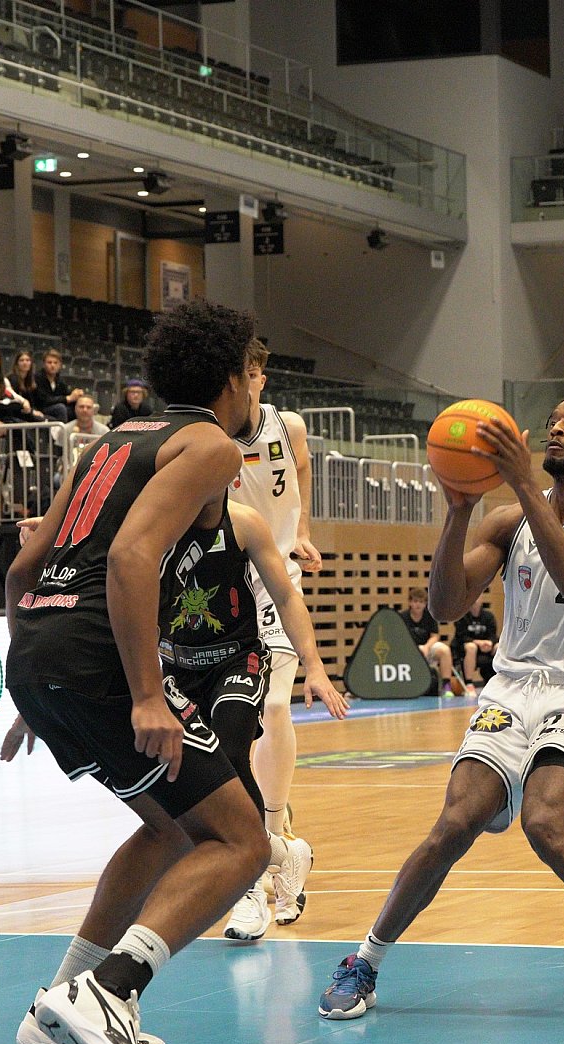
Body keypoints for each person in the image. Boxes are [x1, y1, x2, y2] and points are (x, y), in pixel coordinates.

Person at [0, 301, 333, 1044]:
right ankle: (109, 990)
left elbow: (22, 569)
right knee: (243, 839)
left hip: (40, 652)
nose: (256, 387)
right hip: (100, 654)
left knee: (168, 830)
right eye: (252, 372)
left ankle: (58, 1003)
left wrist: (28, 688)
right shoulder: (210, 445)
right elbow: (130, 557)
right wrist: (149, 695)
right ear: (231, 379)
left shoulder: (110, 441)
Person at [319, 393, 564, 1027]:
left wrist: (525, 485)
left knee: (546, 825)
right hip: (509, 690)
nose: (556, 428)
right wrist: (458, 513)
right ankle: (363, 961)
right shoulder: (506, 522)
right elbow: (445, 605)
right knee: (454, 824)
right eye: (552, 420)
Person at [220, 337, 325, 939]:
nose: (248, 382)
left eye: (255, 372)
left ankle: (270, 837)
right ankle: (280, 852)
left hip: (274, 577)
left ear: (261, 377)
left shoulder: (290, 427)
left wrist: (302, 528)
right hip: (216, 584)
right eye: (240, 373)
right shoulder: (207, 436)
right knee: (227, 730)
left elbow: (301, 470)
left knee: (276, 707)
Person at [400, 586, 463, 696]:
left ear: (425, 604)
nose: (418, 605)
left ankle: (446, 686)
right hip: (409, 650)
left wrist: (426, 647)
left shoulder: (430, 616)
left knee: (445, 650)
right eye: (415, 601)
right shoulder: (402, 617)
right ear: (410, 602)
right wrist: (415, 649)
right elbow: (401, 638)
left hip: (427, 649)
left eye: (421, 602)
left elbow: (434, 636)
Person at [453, 595, 498, 693]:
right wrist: (478, 643)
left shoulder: (488, 616)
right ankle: (469, 683)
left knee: (498, 647)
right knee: (471, 647)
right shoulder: (462, 616)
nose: (475, 600)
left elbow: (493, 635)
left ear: (481, 599)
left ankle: (499, 681)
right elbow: (461, 637)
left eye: (477, 597)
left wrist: (490, 643)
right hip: (467, 649)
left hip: (486, 648)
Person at [35, 348, 85, 421]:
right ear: (44, 364)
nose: (52, 365)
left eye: (55, 363)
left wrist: (76, 395)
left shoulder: (59, 379)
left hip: (56, 407)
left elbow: (66, 394)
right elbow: (44, 400)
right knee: (60, 408)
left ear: (60, 365)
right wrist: (67, 398)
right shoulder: (38, 378)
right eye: (49, 362)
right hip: (41, 408)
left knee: (78, 406)